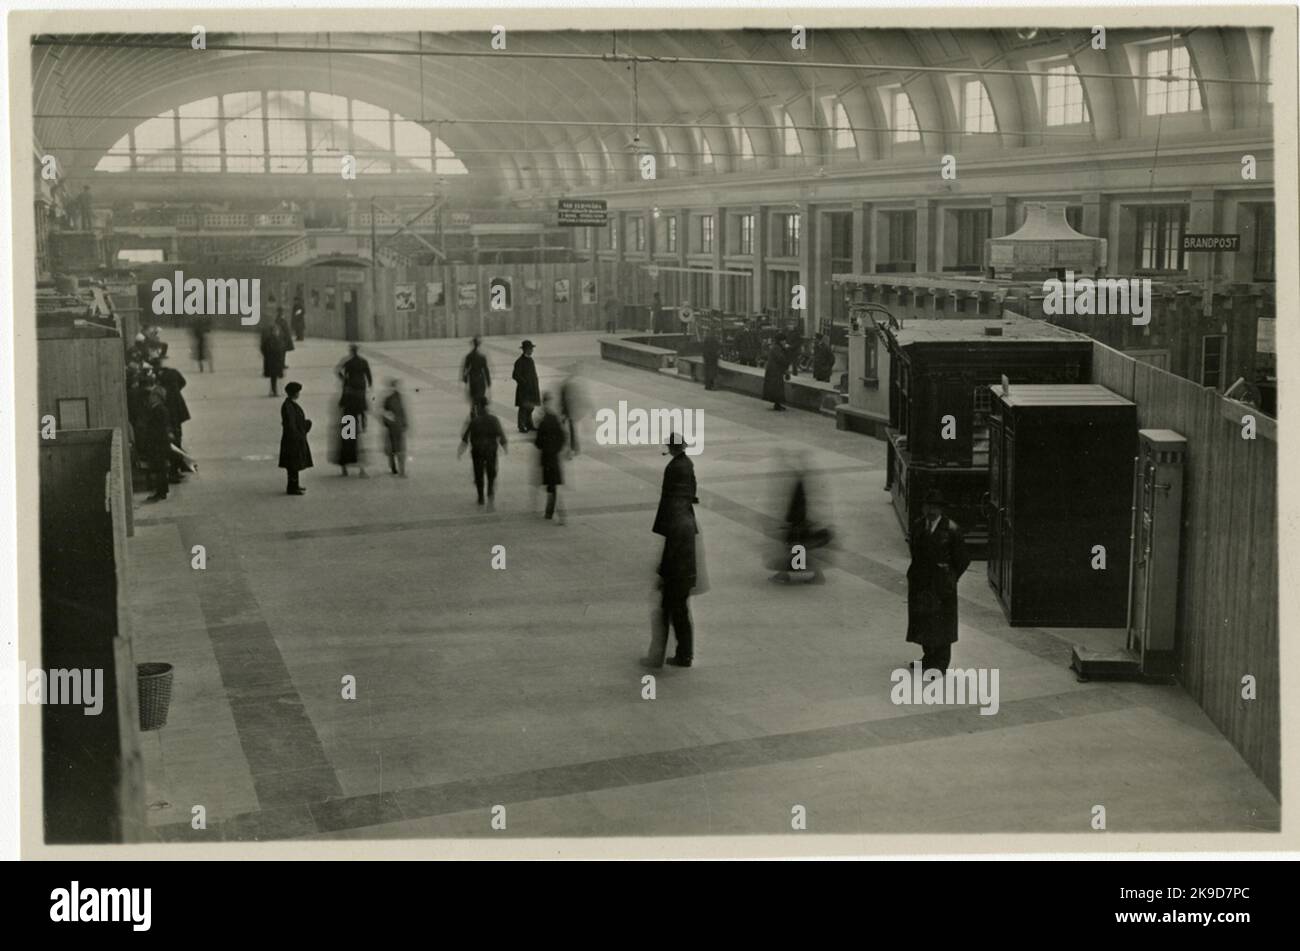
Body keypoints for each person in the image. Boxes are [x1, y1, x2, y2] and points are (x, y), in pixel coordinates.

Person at [642, 432, 701, 669]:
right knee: (678, 611)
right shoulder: (687, 466)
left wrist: (663, 571)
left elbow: (672, 547)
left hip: (677, 572)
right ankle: (684, 654)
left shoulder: (677, 516)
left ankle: (660, 657)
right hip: (685, 571)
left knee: (670, 609)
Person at [906, 489, 971, 674]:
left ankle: (940, 663)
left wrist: (950, 577)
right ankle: (928, 657)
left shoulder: (951, 530)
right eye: (928, 506)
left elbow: (963, 560)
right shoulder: (919, 526)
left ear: (941, 509)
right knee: (924, 619)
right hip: (922, 582)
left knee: (942, 623)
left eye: (935, 507)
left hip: (942, 584)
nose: (931, 510)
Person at [458, 397, 508, 509]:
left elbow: (465, 438)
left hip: (477, 451)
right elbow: (501, 435)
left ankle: (481, 497)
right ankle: (490, 496)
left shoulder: (475, 421)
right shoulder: (494, 419)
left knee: (478, 474)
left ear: (479, 407)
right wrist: (505, 447)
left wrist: (460, 451)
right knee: (491, 474)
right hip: (491, 451)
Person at [151, 356, 191, 482]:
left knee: (172, 441)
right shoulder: (172, 372)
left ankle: (175, 470)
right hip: (179, 408)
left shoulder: (159, 379)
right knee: (178, 436)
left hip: (170, 412)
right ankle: (178, 467)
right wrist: (175, 391)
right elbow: (183, 382)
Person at [535, 392, 567, 522]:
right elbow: (563, 437)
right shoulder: (554, 419)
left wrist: (545, 447)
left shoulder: (543, 421)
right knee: (552, 485)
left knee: (551, 486)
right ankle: (550, 512)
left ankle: (558, 513)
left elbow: (538, 442)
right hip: (554, 456)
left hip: (547, 457)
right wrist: (557, 448)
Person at [141, 379, 173, 503]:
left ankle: (161, 492)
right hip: (160, 443)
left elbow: (158, 429)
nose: (150, 397)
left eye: (152, 395)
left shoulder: (158, 410)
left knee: (160, 468)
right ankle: (162, 491)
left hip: (158, 444)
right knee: (161, 468)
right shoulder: (160, 409)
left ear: (157, 397)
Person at [279, 382, 313, 496]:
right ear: (294, 393)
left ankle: (294, 485)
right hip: (292, 439)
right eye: (298, 392)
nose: (299, 394)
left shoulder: (289, 404)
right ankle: (292, 488)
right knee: (293, 464)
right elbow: (291, 424)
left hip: (293, 438)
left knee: (294, 463)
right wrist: (298, 434)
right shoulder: (289, 406)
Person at [381, 378, 409, 477]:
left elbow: (385, 414)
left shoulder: (392, 398)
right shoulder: (392, 399)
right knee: (398, 449)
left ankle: (398, 470)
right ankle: (398, 470)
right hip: (396, 427)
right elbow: (386, 413)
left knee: (395, 450)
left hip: (395, 427)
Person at [512, 339, 540, 433]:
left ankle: (529, 424)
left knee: (531, 407)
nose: (532, 350)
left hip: (532, 388)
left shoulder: (531, 360)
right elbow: (515, 375)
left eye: (532, 349)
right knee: (523, 408)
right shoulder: (519, 361)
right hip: (524, 389)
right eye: (530, 349)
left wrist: (535, 385)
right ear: (525, 349)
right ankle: (521, 426)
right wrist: (524, 383)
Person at [763, 331, 790, 411]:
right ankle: (777, 405)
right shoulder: (777, 348)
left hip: (774, 371)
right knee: (777, 389)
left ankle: (777, 404)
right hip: (775, 372)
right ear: (780, 341)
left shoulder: (776, 347)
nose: (785, 342)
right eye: (784, 340)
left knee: (776, 389)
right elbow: (782, 359)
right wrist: (786, 350)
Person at [462, 336, 492, 405]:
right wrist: (488, 381)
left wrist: (465, 379)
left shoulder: (469, 356)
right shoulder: (482, 357)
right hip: (480, 379)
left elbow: (465, 368)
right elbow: (486, 369)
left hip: (472, 378)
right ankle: (480, 410)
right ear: (478, 344)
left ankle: (474, 411)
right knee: (480, 396)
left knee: (473, 397)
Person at [260, 320, 286, 396]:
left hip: (275, 361)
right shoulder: (272, 340)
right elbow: (265, 348)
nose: (277, 332)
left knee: (274, 377)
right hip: (273, 361)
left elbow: (263, 348)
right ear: (273, 332)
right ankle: (274, 391)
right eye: (276, 331)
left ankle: (274, 390)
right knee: (274, 377)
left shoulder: (275, 339)